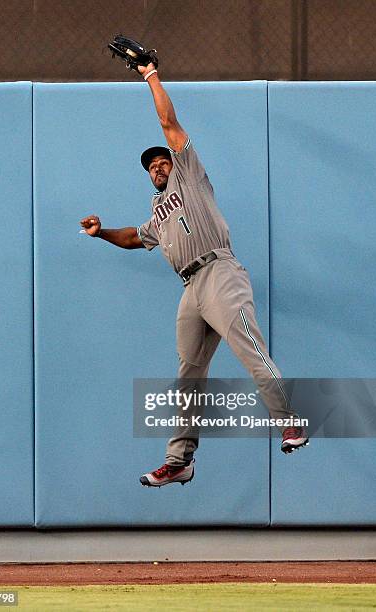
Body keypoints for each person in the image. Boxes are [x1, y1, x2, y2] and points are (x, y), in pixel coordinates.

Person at [80, 62, 308, 488]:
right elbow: (134, 238)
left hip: (219, 272)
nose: (156, 168)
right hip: (190, 289)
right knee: (188, 374)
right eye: (150, 167)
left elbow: (168, 122)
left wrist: (149, 74)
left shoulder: (190, 178)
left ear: (175, 162)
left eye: (161, 161)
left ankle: (290, 421)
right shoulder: (158, 212)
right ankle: (179, 459)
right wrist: (101, 232)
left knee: (249, 350)